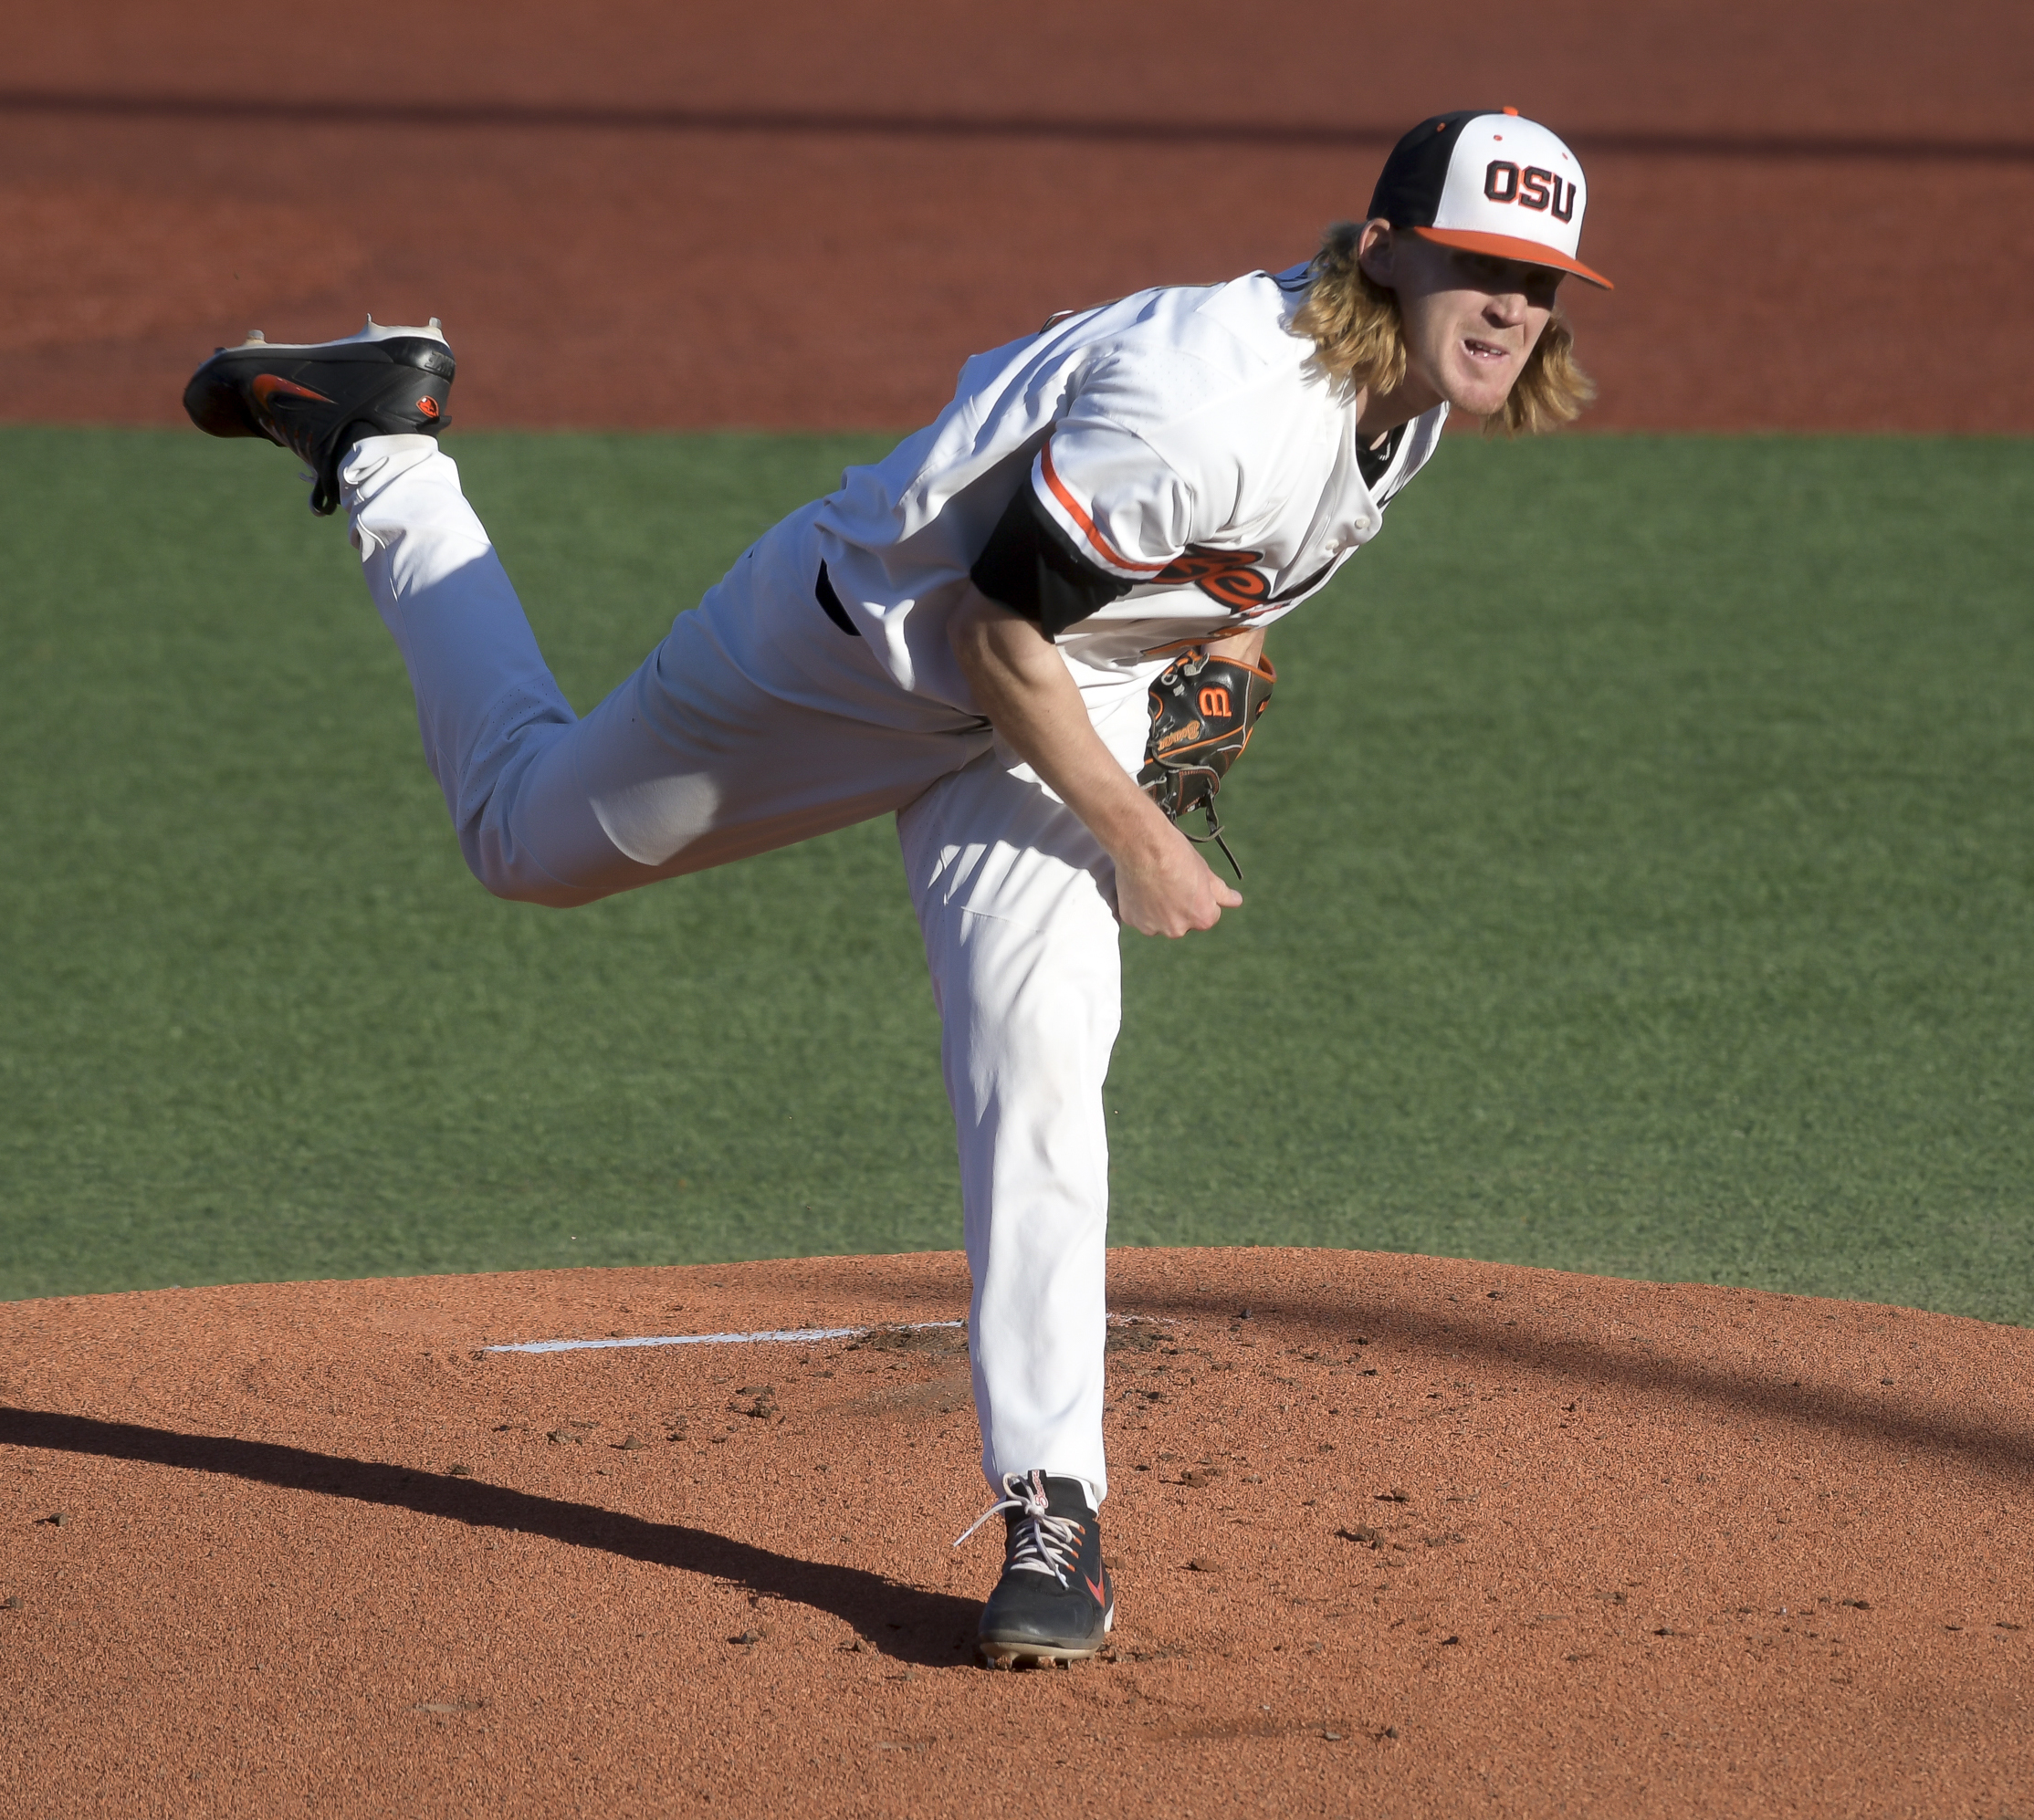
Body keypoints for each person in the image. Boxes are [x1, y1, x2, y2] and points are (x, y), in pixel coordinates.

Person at [183, 107, 1609, 1668]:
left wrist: (1223, 652)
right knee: (525, 838)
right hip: (842, 660)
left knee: (1044, 1063)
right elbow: (1003, 631)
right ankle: (384, 436)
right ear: (1389, 251)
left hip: (1051, 707)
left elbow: (1226, 572)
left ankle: (1052, 1509)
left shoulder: (1406, 397)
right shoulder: (1209, 401)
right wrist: (1142, 834)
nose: (1511, 306)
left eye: (1539, 279)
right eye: (1480, 265)